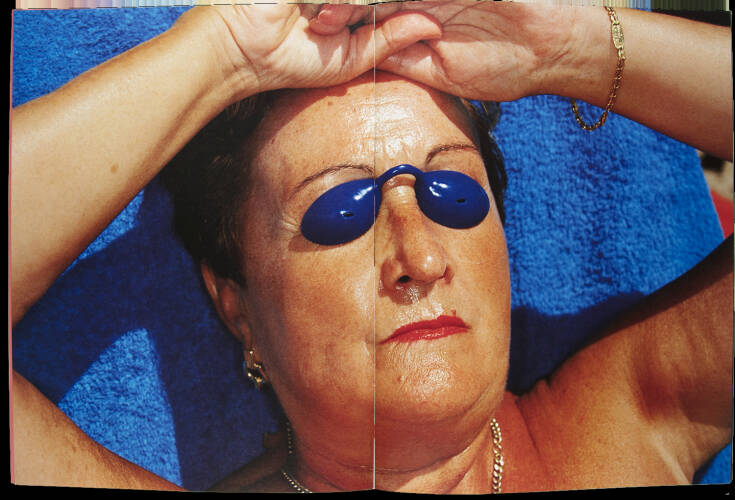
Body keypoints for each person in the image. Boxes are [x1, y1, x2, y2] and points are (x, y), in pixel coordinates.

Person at [10, 1, 732, 493]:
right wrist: (222, 53)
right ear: (237, 308)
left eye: (453, 194)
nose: (421, 259)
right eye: (339, 212)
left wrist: (571, 51)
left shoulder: (628, 420)